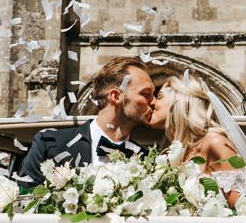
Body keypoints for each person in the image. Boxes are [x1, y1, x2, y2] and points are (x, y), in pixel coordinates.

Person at [20, 57, 156, 187]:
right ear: (116, 96)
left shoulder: (146, 160)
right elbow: (24, 203)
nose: (154, 101)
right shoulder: (49, 145)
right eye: (145, 94)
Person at [149, 74, 246, 209]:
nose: (152, 102)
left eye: (159, 97)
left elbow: (242, 208)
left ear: (179, 100)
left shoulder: (214, 142)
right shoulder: (173, 149)